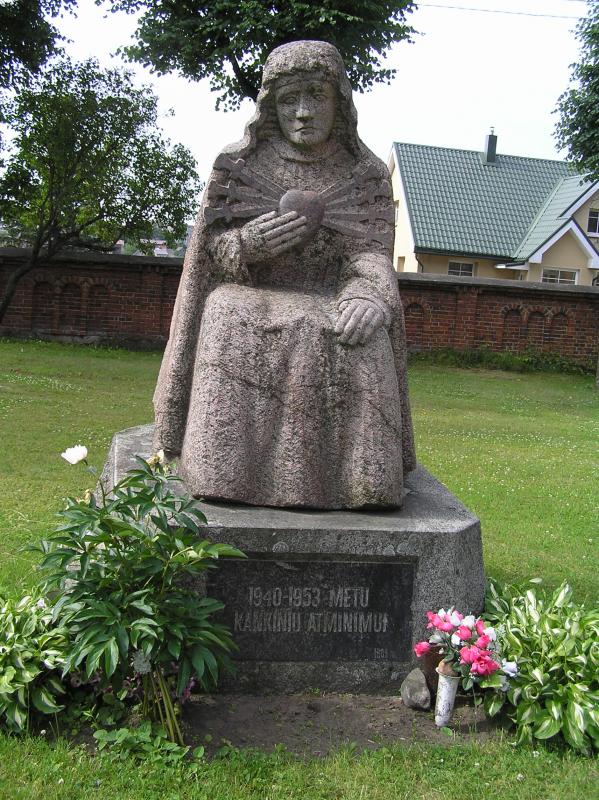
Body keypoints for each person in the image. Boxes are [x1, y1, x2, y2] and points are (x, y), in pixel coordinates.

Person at [153, 40, 415, 509]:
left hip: (331, 299)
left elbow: (369, 255)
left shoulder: (366, 174)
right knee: (224, 310)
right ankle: (222, 472)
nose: (303, 112)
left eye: (316, 96)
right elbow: (208, 256)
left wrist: (368, 294)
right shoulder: (240, 164)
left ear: (339, 102)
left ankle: (364, 484)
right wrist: (246, 246)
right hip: (249, 295)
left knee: (363, 332)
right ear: (270, 106)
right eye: (289, 99)